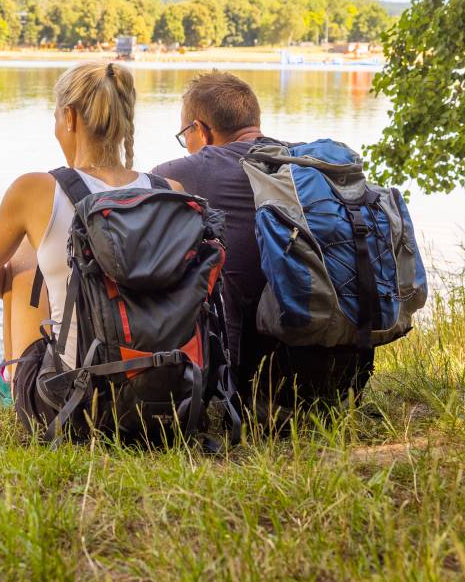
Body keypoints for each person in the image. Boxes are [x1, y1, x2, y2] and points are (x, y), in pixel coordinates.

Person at [150, 70, 373, 425]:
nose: (187, 144)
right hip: (345, 368)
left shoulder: (181, 172)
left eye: (185, 134)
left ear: (201, 130)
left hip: (252, 384)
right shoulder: (310, 165)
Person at [0, 61, 183, 407]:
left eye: (56, 117)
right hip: (164, 397)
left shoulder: (36, 190)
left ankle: (10, 381)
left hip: (74, 405)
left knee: (27, 250)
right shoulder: (169, 191)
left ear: (69, 118)